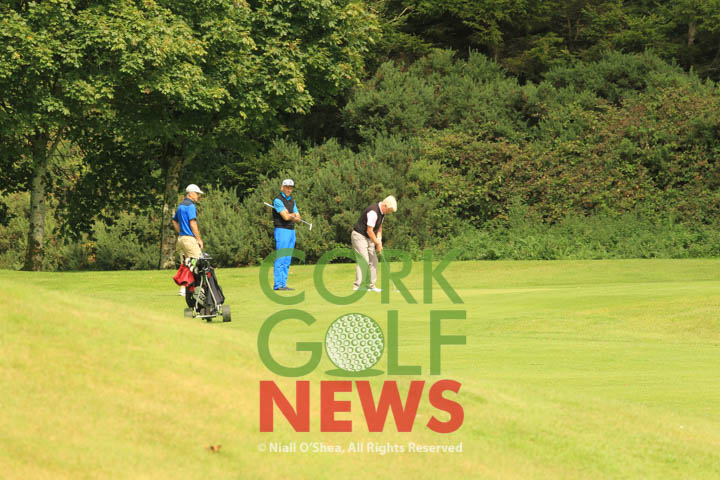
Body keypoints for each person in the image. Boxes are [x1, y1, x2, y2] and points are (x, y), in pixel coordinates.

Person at [352, 196, 397, 292]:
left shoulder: (382, 213)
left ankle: (371, 285)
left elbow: (379, 227)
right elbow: (369, 231)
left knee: (374, 261)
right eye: (390, 210)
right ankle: (357, 286)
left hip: (369, 237)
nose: (390, 213)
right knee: (364, 260)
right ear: (385, 206)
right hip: (359, 236)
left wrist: (379, 240)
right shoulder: (373, 212)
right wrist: (377, 243)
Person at [172, 184, 204, 296]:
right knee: (198, 262)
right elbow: (193, 224)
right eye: (197, 194)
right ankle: (198, 288)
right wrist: (199, 239)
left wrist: (180, 231)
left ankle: (183, 289)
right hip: (189, 239)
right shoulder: (191, 206)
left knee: (185, 264)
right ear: (190, 193)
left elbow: (174, 221)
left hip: (181, 239)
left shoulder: (181, 206)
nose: (198, 196)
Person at [272, 179, 303, 291]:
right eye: (287, 187)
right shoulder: (278, 200)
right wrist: (292, 215)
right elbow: (285, 217)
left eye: (291, 188)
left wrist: (291, 214)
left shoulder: (292, 201)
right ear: (282, 187)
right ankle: (278, 285)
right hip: (282, 231)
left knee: (287, 259)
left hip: (291, 231)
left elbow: (298, 219)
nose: (289, 190)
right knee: (281, 257)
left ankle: (283, 284)